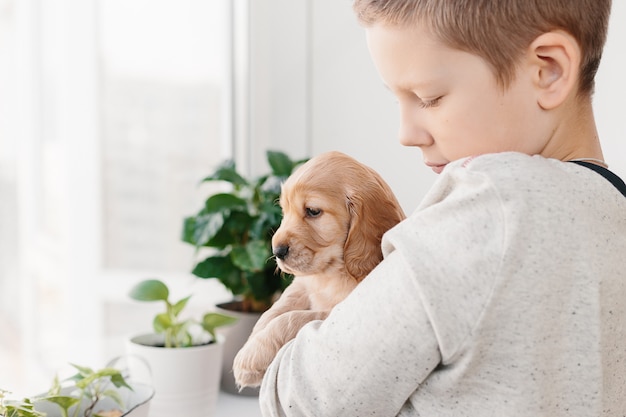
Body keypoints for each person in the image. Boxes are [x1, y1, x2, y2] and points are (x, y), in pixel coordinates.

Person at [259, 1, 626, 415]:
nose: (405, 133)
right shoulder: (614, 211)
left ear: (548, 71)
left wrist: (294, 324)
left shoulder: (486, 210)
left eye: (428, 98)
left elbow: (307, 401)